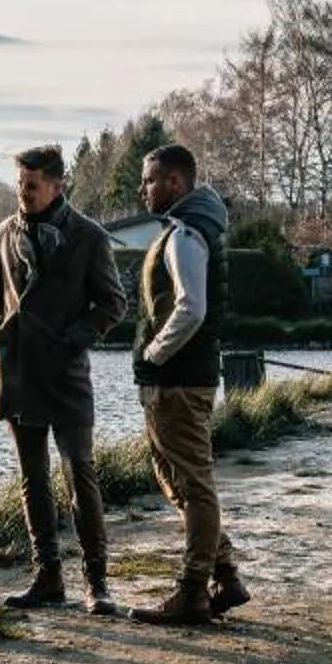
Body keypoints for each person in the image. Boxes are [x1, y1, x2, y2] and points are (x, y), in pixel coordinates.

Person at [0, 143, 130, 614]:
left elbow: (113, 303)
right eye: (20, 184)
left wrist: (73, 337)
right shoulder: (4, 233)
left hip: (65, 373)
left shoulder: (89, 236)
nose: (23, 193)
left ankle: (96, 582)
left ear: (57, 185)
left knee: (79, 474)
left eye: (31, 185)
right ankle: (47, 577)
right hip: (18, 370)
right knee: (32, 479)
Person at [129, 142, 249, 625]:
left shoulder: (185, 234)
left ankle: (193, 591)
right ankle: (225, 575)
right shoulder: (193, 228)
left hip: (178, 379)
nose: (143, 189)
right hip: (182, 377)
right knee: (177, 480)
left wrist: (155, 354)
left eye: (150, 179)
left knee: (193, 484)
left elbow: (191, 307)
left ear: (175, 183)